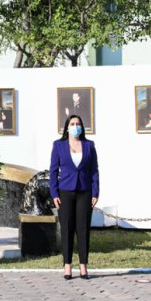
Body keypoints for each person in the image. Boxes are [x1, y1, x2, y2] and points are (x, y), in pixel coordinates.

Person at [49, 114, 99, 280]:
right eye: (72, 124)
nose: (75, 126)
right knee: (67, 229)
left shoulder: (89, 145)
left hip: (85, 192)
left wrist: (95, 192)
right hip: (65, 192)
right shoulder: (58, 145)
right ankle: (67, 265)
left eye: (78, 124)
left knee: (83, 229)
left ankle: (83, 265)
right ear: (67, 127)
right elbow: (53, 171)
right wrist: (54, 193)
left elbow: (94, 170)